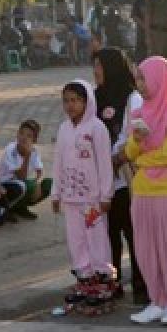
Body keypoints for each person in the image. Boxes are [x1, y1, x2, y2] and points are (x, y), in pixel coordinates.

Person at [125, 57, 167, 325]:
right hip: (142, 190)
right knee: (145, 248)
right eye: (138, 79)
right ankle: (156, 300)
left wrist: (141, 158)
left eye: (144, 78)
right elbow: (128, 151)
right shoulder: (138, 114)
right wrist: (138, 142)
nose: (140, 85)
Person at [52, 81, 117, 312]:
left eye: (75, 100)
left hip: (92, 199)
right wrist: (56, 192)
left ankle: (103, 281)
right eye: (66, 100)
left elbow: (105, 164)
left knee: (96, 238)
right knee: (76, 239)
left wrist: (106, 195)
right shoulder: (63, 129)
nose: (70, 105)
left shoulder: (97, 129)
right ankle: (84, 278)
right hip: (71, 198)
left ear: (86, 101)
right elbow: (58, 162)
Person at [95, 47, 145, 304]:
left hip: (125, 176)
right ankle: (110, 283)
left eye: (100, 67)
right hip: (102, 181)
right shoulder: (95, 98)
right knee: (107, 234)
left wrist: (116, 157)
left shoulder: (131, 98)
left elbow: (132, 134)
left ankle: (141, 285)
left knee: (132, 233)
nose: (96, 72)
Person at [0, 119, 51, 220]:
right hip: (4, 186)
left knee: (49, 183)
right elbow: (20, 176)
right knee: (26, 185)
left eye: (29, 136)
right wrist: (27, 156)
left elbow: (40, 171)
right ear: (17, 134)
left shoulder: (34, 151)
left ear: (34, 140)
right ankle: (7, 208)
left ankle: (20, 207)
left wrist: (38, 183)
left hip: (20, 186)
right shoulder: (10, 149)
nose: (24, 137)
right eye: (21, 133)